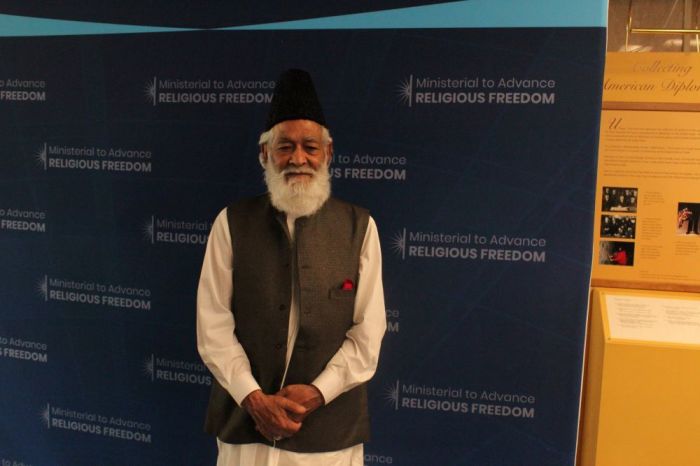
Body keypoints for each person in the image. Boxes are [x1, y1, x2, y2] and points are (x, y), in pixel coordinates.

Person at [196, 69, 386, 466]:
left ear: (328, 153)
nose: (298, 158)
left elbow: (369, 332)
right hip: (245, 432)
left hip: (330, 438)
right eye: (285, 147)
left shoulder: (360, 227)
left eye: (310, 147)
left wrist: (318, 392)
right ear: (265, 154)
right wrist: (253, 398)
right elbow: (212, 326)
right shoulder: (230, 222)